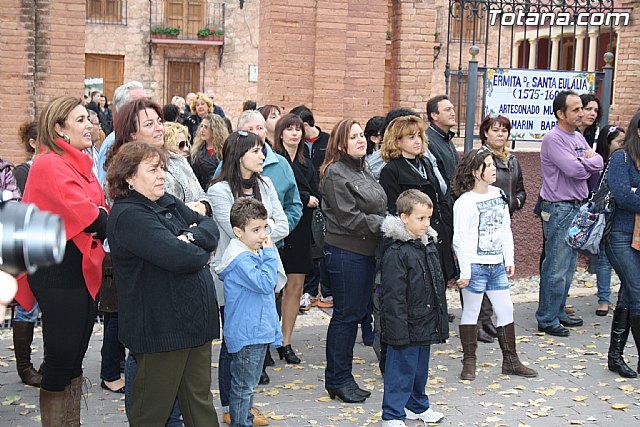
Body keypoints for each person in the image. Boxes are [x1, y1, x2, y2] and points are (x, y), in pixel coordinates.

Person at [106, 142, 220, 427]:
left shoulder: (165, 200)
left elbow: (210, 228)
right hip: (162, 329)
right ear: (129, 177)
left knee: (200, 407)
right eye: (153, 169)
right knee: (151, 413)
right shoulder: (129, 215)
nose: (161, 176)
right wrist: (193, 244)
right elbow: (179, 257)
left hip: (195, 323)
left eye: (162, 169)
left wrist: (189, 238)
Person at [16, 96, 108, 425]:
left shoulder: (79, 163)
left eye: (90, 119)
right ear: (59, 128)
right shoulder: (50, 164)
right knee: (60, 357)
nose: (90, 125)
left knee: (75, 357)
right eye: (81, 119)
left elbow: (100, 210)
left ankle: (71, 422)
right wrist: (101, 215)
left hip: (79, 269)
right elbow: (91, 216)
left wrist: (100, 214)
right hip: (57, 272)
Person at [208, 130, 288, 426]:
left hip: (265, 267)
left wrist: (262, 234)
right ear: (238, 155)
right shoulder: (218, 191)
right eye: (255, 151)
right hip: (237, 276)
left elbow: (283, 222)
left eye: (262, 150)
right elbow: (234, 233)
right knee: (235, 343)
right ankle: (232, 405)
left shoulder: (265, 183)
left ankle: (245, 405)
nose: (262, 156)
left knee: (254, 344)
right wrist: (263, 233)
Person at [452, 147, 538, 381]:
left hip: (496, 266)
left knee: (506, 309)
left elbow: (504, 229)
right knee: (471, 312)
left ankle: (511, 360)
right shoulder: (465, 203)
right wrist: (466, 271)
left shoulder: (498, 194)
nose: (493, 169)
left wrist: (508, 258)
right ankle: (469, 362)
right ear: (474, 171)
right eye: (488, 166)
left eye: (492, 165)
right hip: (476, 266)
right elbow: (460, 239)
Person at [320, 118, 387, 403]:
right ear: (340, 143)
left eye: (362, 135)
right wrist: (387, 225)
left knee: (356, 313)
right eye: (354, 136)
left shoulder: (365, 168)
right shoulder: (336, 173)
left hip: (366, 251)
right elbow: (349, 218)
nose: (361, 140)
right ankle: (337, 379)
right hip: (346, 253)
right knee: (346, 317)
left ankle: (342, 377)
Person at [536, 90, 603, 337]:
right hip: (560, 207)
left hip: (577, 206)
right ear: (560, 113)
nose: (582, 113)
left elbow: (599, 162)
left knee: (569, 265)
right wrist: (586, 162)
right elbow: (574, 170)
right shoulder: (554, 138)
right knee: (556, 265)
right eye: (575, 109)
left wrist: (585, 162)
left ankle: (559, 311)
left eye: (581, 108)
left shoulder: (577, 136)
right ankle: (547, 318)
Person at [380, 189, 447, 426]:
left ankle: (416, 405)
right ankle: (392, 413)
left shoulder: (427, 245)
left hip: (424, 319)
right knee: (400, 369)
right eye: (421, 218)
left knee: (419, 370)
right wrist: (397, 328)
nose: (426, 223)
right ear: (403, 217)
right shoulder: (396, 252)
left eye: (428, 218)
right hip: (404, 324)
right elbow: (393, 296)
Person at [215, 198, 283, 427]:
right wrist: (270, 254)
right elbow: (266, 283)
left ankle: (245, 418)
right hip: (248, 332)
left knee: (248, 384)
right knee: (243, 386)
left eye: (264, 227)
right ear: (238, 232)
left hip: (254, 329)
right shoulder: (242, 259)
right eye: (256, 229)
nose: (263, 234)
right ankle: (240, 421)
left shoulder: (250, 251)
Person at [272, 113, 320, 365]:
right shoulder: (272, 161)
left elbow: (315, 190)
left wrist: (308, 198)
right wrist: (302, 198)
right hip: (277, 228)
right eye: (289, 129)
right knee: (272, 289)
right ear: (280, 133)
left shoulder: (306, 162)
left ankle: (285, 340)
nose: (294, 133)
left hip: (302, 229)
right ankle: (266, 337)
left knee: (295, 286)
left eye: (298, 129)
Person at [476, 113, 526, 343]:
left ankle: (489, 321)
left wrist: (513, 202)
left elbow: (521, 190)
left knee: (496, 272)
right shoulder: (480, 158)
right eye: (495, 130)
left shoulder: (512, 160)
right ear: (486, 132)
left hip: (505, 221)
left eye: (504, 130)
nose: (500, 134)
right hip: (484, 224)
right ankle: (479, 322)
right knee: (482, 274)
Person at [604, 113, 640, 378]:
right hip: (619, 236)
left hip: (638, 238)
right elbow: (623, 197)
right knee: (638, 292)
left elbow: (632, 195)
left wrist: (634, 193)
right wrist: (632, 194)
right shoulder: (621, 158)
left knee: (628, 293)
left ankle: (615, 357)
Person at [11, 120, 43, 388]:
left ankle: (50, 362)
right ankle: (24, 367)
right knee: (27, 307)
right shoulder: (21, 173)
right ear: (33, 143)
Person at [593, 125, 625, 317]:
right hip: (606, 214)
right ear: (608, 144)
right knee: (604, 259)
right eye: (619, 142)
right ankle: (604, 300)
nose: (623, 146)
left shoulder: (626, 161)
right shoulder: (599, 164)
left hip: (622, 215)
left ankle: (624, 296)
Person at [97, 81, 148, 184]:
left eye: (147, 101)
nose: (147, 107)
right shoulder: (113, 142)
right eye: (140, 103)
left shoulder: (148, 137)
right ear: (124, 109)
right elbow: (105, 184)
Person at [426, 95, 458, 205]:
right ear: (434, 115)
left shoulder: (447, 138)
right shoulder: (428, 141)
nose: (453, 113)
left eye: (452, 109)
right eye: (447, 110)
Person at [190, 113, 228, 190]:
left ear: (215, 130)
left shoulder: (226, 150)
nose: (202, 130)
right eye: (201, 126)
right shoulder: (196, 151)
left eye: (206, 127)